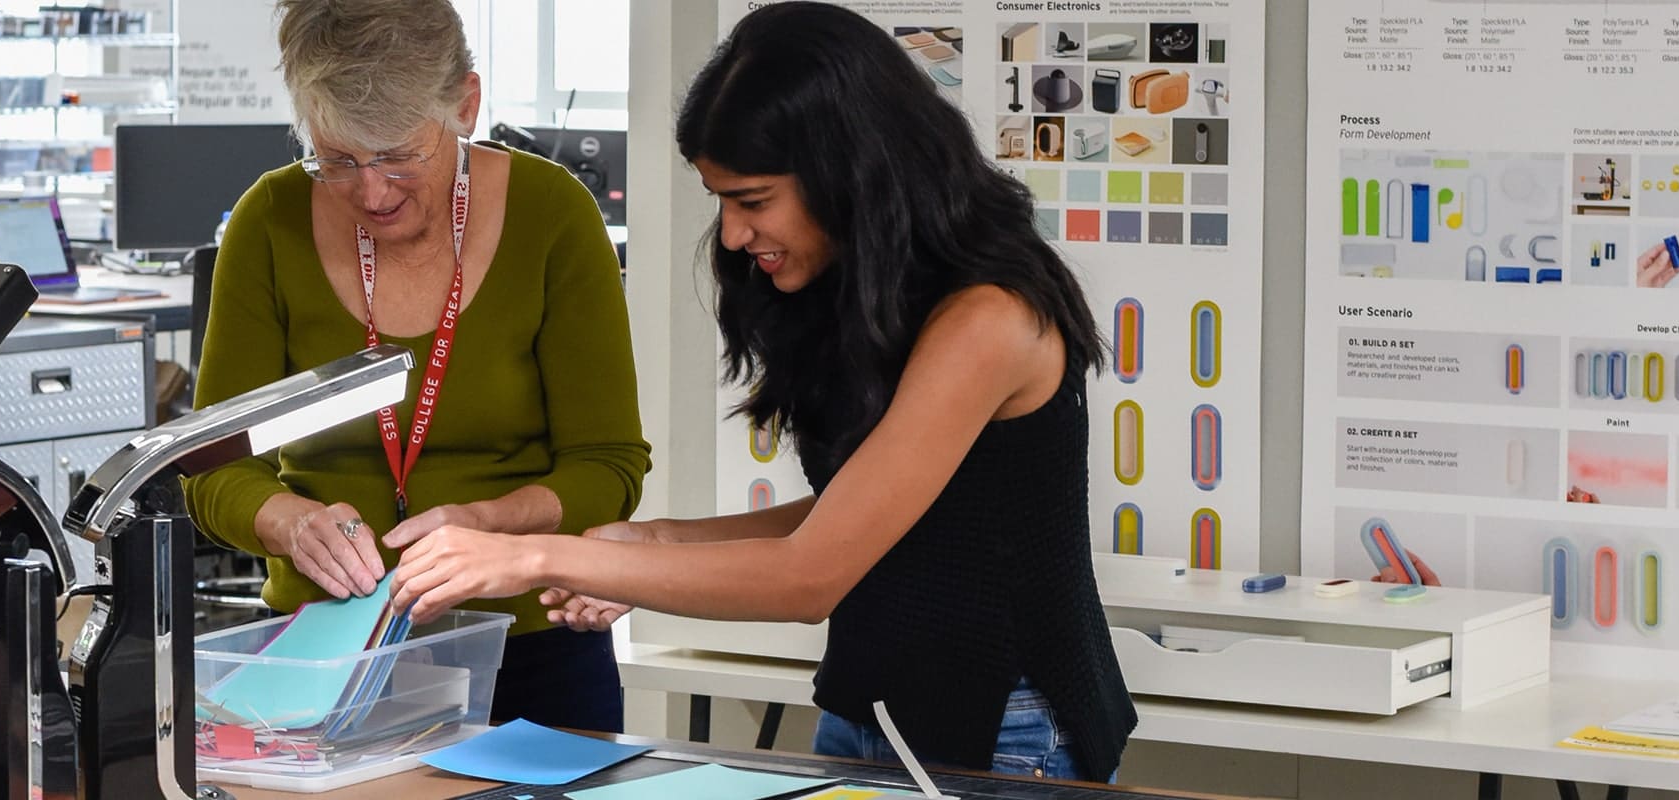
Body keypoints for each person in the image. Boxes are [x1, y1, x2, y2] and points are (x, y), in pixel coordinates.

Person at [384, 2, 1135, 782]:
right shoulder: (867, 293)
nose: (735, 235)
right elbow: (859, 514)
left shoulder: (989, 319)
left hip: (1004, 733)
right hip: (873, 710)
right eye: (721, 201)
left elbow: (812, 575)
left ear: (847, 171)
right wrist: (645, 542)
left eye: (752, 200)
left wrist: (534, 555)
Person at [183, 0, 650, 733]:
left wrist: (485, 526)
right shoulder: (267, 223)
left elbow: (608, 468)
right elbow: (210, 469)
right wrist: (289, 522)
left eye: (399, 155)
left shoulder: (554, 215)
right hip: (318, 657)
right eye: (336, 160)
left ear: (466, 103)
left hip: (530, 650)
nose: (371, 194)